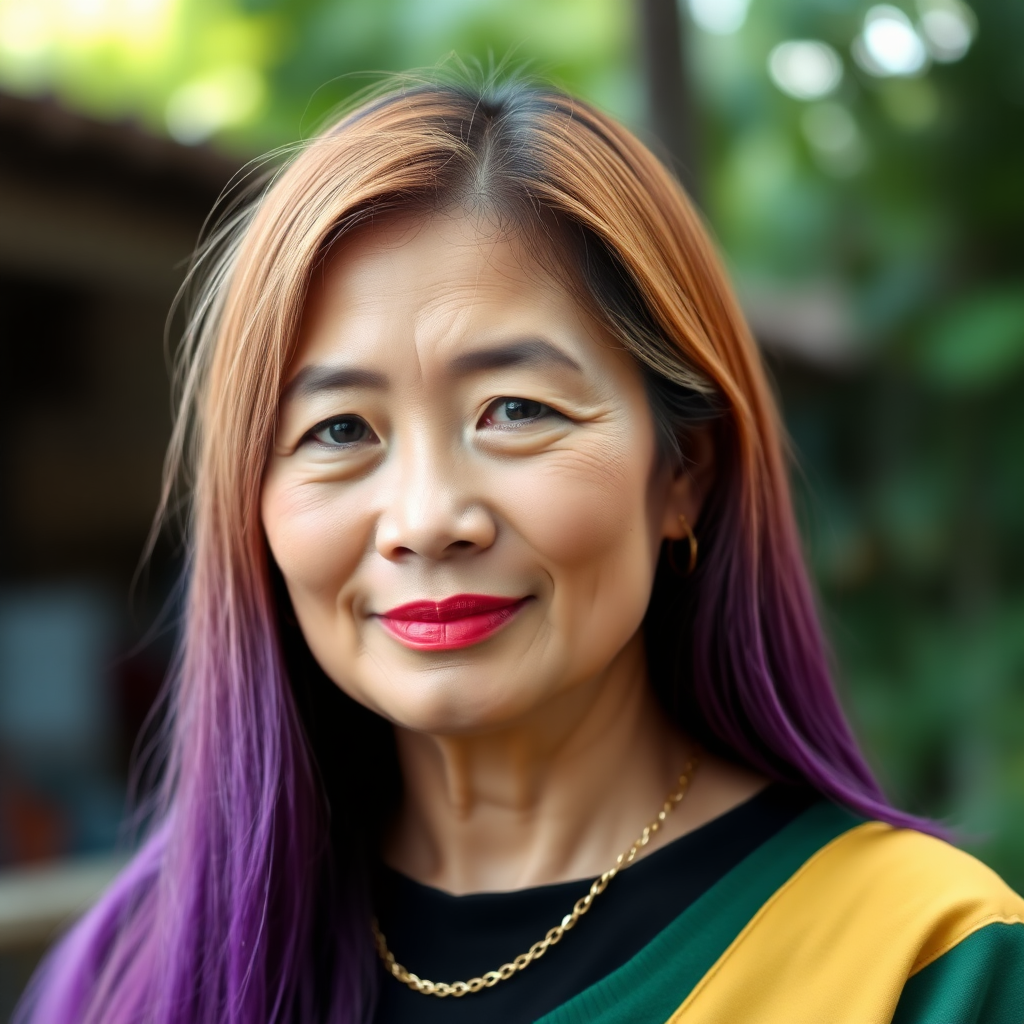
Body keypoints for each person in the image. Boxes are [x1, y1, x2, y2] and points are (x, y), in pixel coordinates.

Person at [17, 77, 1024, 1024]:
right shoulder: (136, 968)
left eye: (515, 410)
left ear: (683, 474)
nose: (426, 517)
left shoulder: (925, 961)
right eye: (337, 430)